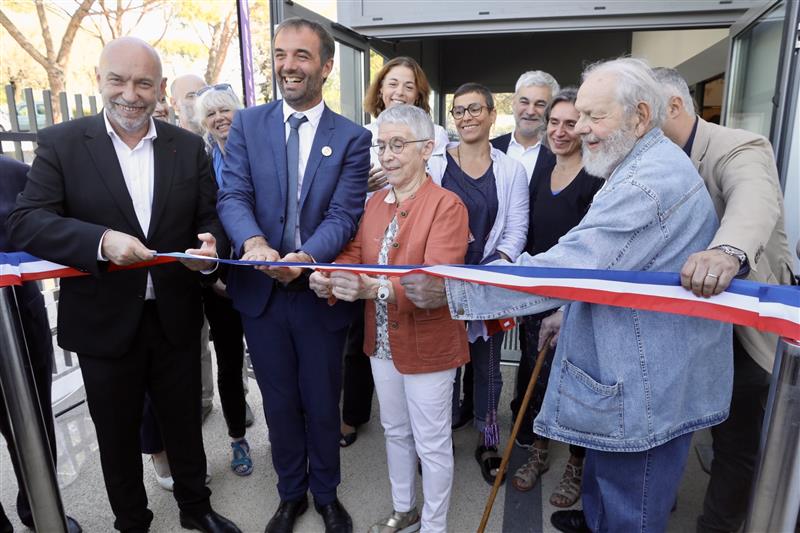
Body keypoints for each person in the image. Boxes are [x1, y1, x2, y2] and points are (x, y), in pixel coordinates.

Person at [398, 57, 733, 533]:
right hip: (635, 369)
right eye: (580, 115)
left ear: (640, 116)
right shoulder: (638, 160)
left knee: (630, 513)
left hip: (645, 384)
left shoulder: (646, 182)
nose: (581, 128)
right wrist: (569, 311)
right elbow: (617, 266)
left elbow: (572, 264)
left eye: (594, 116)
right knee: (607, 493)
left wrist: (454, 289)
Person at [7, 37, 240, 533]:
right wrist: (100, 241)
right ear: (99, 80)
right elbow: (26, 222)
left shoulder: (187, 146)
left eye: (143, 83)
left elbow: (210, 219)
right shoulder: (63, 143)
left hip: (175, 315)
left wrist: (209, 251)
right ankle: (132, 522)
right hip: (103, 322)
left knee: (185, 423)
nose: (130, 94)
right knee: (116, 435)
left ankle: (196, 508)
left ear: (160, 89)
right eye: (118, 80)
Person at [217, 17, 371, 533]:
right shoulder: (247, 124)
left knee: (322, 401)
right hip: (259, 292)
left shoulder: (352, 138)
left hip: (318, 292)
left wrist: (303, 258)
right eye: (280, 54)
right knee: (279, 401)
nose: (288, 65)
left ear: (326, 66)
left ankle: (326, 495)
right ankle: (290, 495)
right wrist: (254, 244)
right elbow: (233, 195)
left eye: (301, 56)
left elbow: (344, 215)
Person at [309, 103, 470, 533]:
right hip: (381, 342)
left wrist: (370, 288)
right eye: (381, 146)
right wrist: (330, 277)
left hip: (429, 345)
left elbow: (433, 280)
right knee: (394, 429)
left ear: (427, 148)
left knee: (432, 442)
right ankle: (405, 509)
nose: (387, 155)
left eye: (398, 145)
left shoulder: (448, 206)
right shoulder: (376, 203)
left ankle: (434, 526)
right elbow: (355, 254)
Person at [654, 66, 795, 533]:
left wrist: (726, 252)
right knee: (667, 423)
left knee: (736, 441)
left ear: (674, 106)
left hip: (742, 331)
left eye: (639, 113)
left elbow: (753, 200)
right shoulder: (650, 160)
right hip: (679, 322)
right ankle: (652, 506)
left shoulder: (739, 146)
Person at [337, 56, 449, 448]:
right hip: (372, 241)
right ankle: (354, 415)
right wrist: (329, 273)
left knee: (428, 430)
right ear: (380, 90)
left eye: (408, 85)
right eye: (392, 83)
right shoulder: (360, 136)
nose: (399, 91)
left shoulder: (435, 138)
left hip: (416, 242)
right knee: (363, 341)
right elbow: (347, 200)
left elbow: (433, 187)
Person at [509, 88, 603, 508]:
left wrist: (570, 304)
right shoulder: (543, 167)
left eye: (570, 123)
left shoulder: (597, 176)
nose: (560, 132)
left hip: (579, 300)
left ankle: (576, 464)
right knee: (538, 376)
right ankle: (540, 451)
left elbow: (598, 249)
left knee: (578, 383)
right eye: (554, 123)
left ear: (583, 127)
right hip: (538, 295)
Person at [433, 82, 528, 485]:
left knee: (488, 368)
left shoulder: (511, 170)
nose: (466, 117)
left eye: (475, 109)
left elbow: (517, 230)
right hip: (441, 283)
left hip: (488, 283)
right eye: (459, 110)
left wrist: (494, 267)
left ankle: (488, 440)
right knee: (444, 366)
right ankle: (439, 439)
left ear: (492, 114)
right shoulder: (434, 164)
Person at [0, 156, 82, 533]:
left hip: (18, 317)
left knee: (34, 418)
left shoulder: (13, 172)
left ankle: (38, 504)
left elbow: (49, 226)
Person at [194, 83, 254, 476]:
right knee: (230, 364)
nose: (219, 118)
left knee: (270, 362)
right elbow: (196, 219)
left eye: (225, 109)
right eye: (211, 113)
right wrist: (212, 277)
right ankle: (237, 439)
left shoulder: (258, 152)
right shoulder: (200, 163)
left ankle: (287, 434)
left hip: (263, 274)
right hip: (220, 283)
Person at [490, 70, 560, 182]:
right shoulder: (491, 148)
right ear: (513, 103)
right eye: (524, 102)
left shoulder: (560, 154)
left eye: (540, 104)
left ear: (552, 109)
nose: (530, 111)